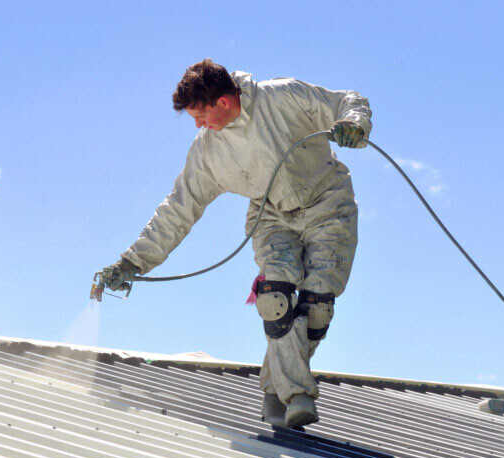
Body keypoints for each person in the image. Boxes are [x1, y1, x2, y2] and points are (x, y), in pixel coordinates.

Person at [97, 59, 371, 429]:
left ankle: (274, 390)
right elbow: (178, 208)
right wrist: (133, 262)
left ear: (223, 102)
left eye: (200, 115)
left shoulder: (282, 96)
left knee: (317, 306)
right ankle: (298, 395)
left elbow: (347, 99)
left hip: (329, 202)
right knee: (275, 300)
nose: (198, 125)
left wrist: (354, 123)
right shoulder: (208, 152)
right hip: (271, 215)